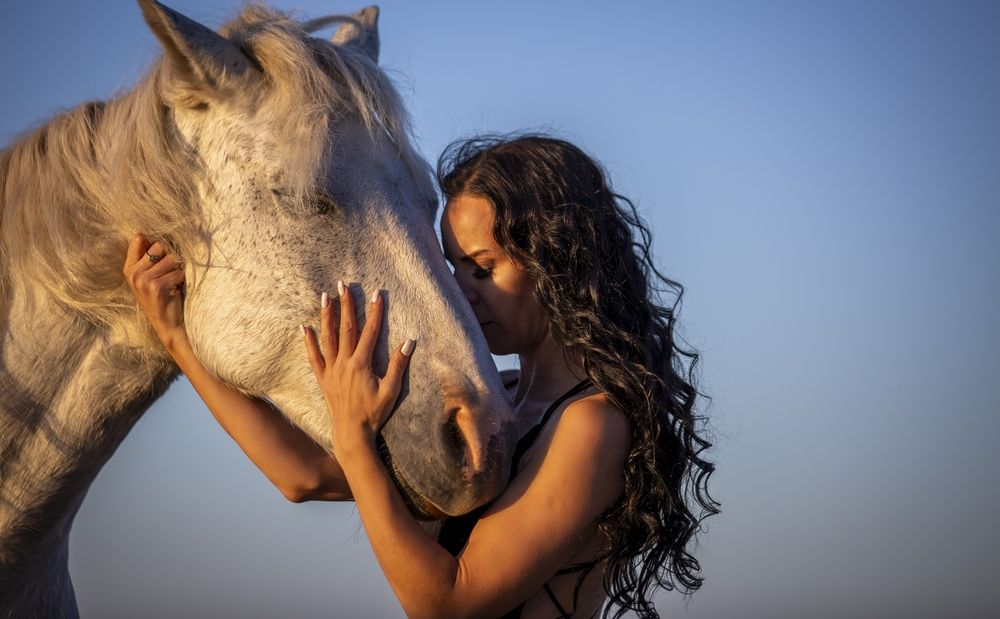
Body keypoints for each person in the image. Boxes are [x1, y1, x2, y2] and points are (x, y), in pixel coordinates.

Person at [123, 134, 718, 618]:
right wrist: (177, 336)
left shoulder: (593, 422)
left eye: (483, 269)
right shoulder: (506, 402)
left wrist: (354, 436)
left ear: (561, 263)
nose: (460, 293)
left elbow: (448, 601)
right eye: (450, 267)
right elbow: (299, 475)